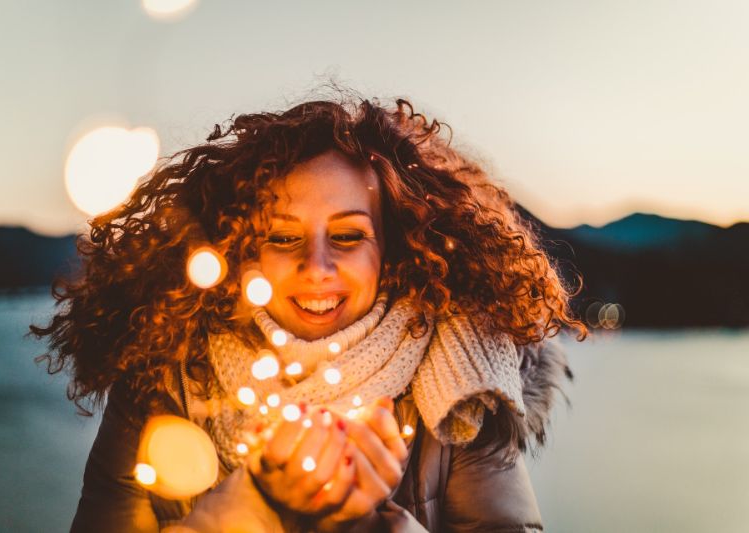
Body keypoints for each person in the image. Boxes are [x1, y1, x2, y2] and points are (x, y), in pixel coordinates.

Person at [32, 94, 586, 532]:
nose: (316, 266)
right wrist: (257, 505)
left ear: (390, 251)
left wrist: (373, 523)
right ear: (241, 248)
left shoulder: (464, 385)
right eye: (282, 236)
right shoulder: (164, 378)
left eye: (347, 235)